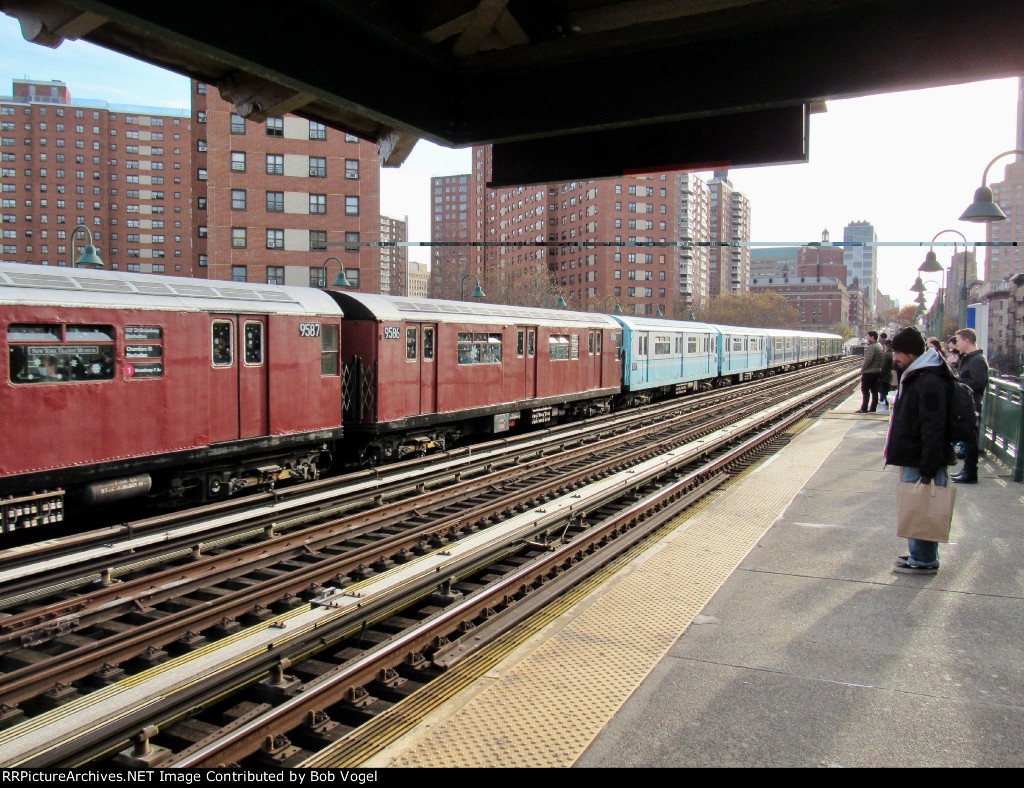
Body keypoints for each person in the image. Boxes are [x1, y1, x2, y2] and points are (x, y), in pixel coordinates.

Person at [885, 326, 957, 574]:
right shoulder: (921, 373)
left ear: (911, 353)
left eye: (898, 353)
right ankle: (920, 553)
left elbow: (933, 426)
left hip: (923, 456)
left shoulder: (929, 379)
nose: (895, 358)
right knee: (916, 506)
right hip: (915, 453)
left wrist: (928, 466)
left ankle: (924, 559)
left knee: (922, 506)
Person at [952, 328, 989, 484]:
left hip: (971, 403)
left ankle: (970, 472)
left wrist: (959, 382)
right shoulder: (970, 358)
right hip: (966, 403)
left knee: (970, 439)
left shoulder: (978, 360)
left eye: (958, 341)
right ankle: (967, 470)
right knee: (968, 439)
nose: (956, 345)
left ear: (967, 341)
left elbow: (978, 383)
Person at [857, 330, 883, 413]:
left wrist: (863, 368)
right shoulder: (879, 346)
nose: (867, 338)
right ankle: (873, 408)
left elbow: (868, 359)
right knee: (875, 391)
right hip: (877, 371)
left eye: (868, 336)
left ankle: (864, 408)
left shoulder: (872, 347)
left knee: (865, 390)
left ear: (872, 337)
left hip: (869, 372)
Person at [877, 338, 894, 412]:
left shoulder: (887, 354)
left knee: (885, 391)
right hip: (891, 375)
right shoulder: (893, 353)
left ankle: (887, 406)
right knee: (888, 390)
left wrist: (880, 374)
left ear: (887, 345)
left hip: (886, 376)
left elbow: (883, 366)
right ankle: (887, 405)